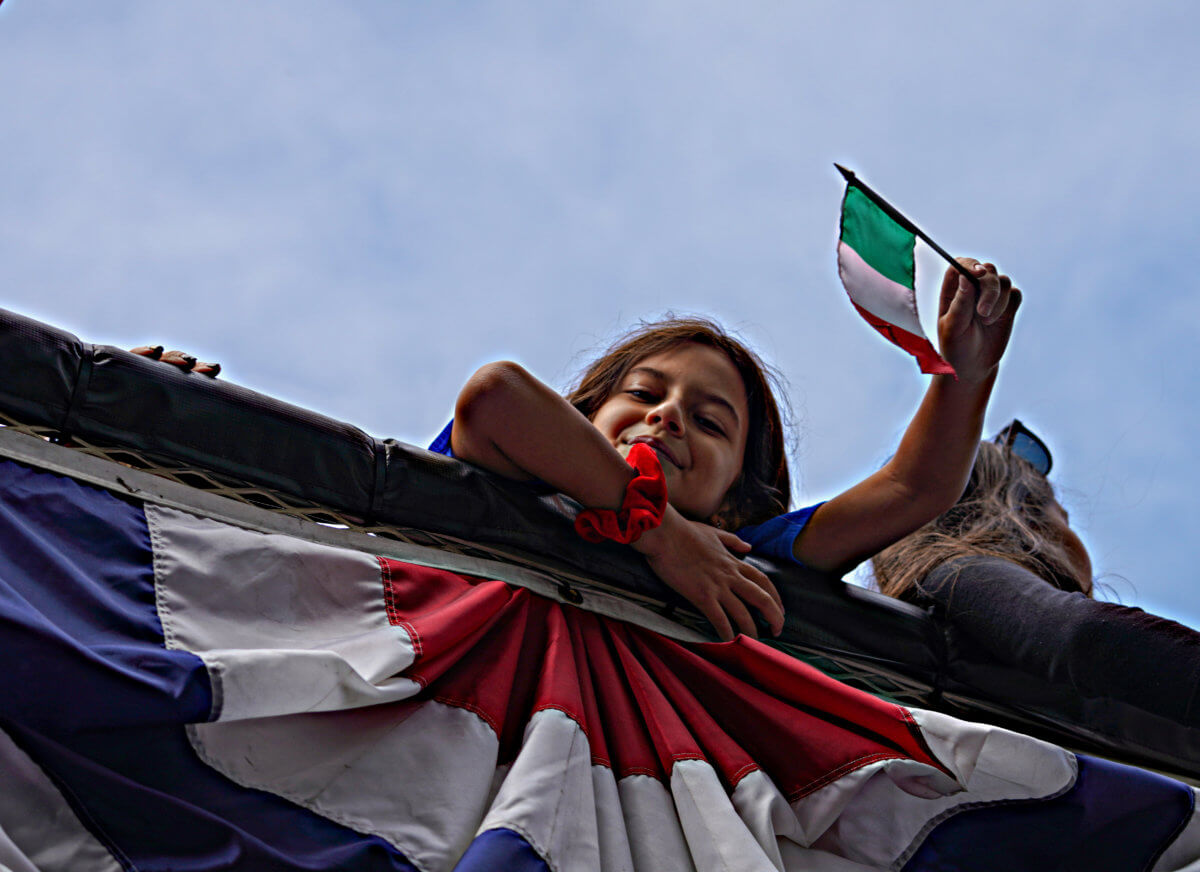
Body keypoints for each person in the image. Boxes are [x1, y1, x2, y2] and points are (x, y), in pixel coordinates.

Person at [435, 257, 1020, 641]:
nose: (666, 416)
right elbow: (495, 394)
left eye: (711, 424)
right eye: (642, 393)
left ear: (734, 506)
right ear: (584, 416)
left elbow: (913, 488)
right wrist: (663, 536)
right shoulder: (516, 474)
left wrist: (967, 373)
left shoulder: (740, 558)